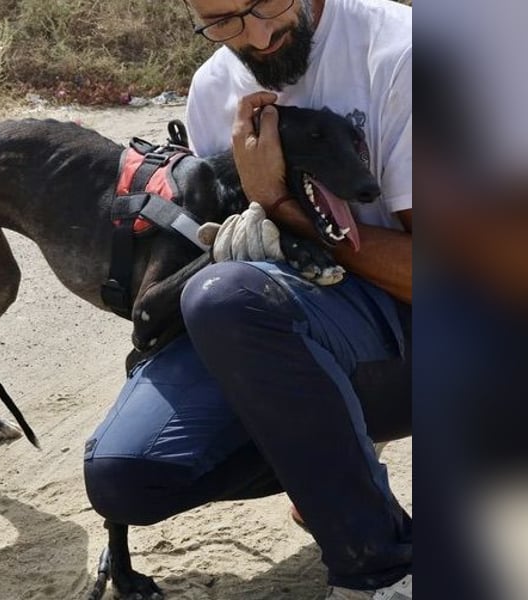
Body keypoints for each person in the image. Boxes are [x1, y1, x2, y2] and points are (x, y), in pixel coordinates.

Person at [83, 0, 412, 598]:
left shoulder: (404, 52)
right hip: (292, 317)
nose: (257, 36)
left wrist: (283, 206)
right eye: (224, 19)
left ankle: (384, 568)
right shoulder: (214, 87)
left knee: (227, 296)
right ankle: (339, 477)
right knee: (124, 476)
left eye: (267, 2)